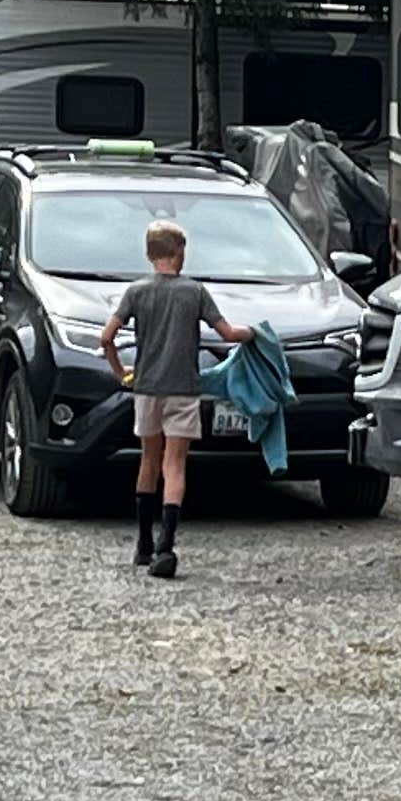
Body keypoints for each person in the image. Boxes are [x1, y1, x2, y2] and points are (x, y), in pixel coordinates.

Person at [98, 218, 243, 578]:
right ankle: (166, 545)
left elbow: (106, 337)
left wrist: (120, 372)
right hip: (183, 389)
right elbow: (227, 333)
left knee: (149, 459)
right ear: (179, 252)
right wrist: (254, 335)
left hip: (146, 388)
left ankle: (143, 544)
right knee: (174, 465)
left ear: (150, 255)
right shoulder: (194, 292)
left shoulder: (136, 292)